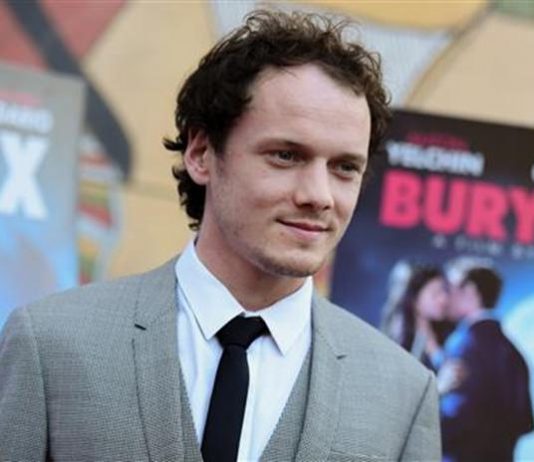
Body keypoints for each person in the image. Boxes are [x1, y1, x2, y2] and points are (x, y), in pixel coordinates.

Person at [0, 10, 441, 461]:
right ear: (201, 153)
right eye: (286, 155)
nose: (318, 195)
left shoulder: (404, 395)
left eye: (345, 167)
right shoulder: (52, 343)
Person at [440, 263, 534, 462]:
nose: (446, 298)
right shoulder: (513, 351)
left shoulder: (463, 344)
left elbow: (456, 414)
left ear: (470, 291)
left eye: (451, 289)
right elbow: (525, 419)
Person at [382, 263, 450, 369]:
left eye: (444, 291)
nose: (444, 299)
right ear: (414, 299)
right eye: (435, 293)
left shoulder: (447, 331)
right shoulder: (397, 340)